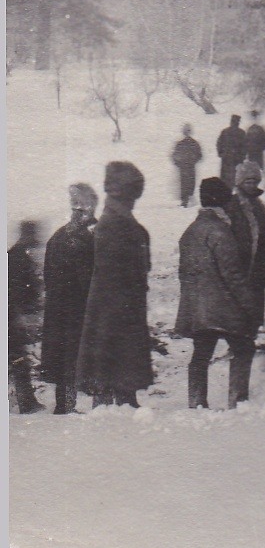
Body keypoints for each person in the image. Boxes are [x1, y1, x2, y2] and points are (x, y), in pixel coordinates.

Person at [76, 162, 153, 407]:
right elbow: (113, 273)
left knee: (117, 355)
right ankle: (107, 404)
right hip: (115, 305)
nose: (134, 200)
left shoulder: (122, 221)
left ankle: (123, 398)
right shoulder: (113, 224)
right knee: (109, 355)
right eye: (133, 194)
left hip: (121, 304)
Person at [174, 179, 254, 409]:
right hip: (222, 308)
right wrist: (248, 303)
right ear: (222, 202)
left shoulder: (190, 231)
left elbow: (184, 273)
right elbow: (232, 274)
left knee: (201, 354)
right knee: (243, 348)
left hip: (198, 308)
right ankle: (238, 401)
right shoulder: (220, 232)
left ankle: (196, 402)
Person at [39, 184, 98, 414]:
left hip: (58, 308)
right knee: (77, 355)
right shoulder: (87, 237)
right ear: (88, 207)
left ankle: (64, 404)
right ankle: (85, 405)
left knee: (63, 355)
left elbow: (48, 275)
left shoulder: (59, 235)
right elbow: (89, 277)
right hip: (79, 307)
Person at [229, 161, 265, 391]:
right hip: (239, 279)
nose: (251, 184)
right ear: (239, 182)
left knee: (250, 333)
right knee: (240, 336)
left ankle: (240, 390)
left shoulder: (260, 207)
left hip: (257, 279)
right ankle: (238, 391)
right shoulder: (232, 206)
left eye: (254, 180)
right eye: (246, 180)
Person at [10, 221, 44, 413]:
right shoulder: (18, 258)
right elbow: (15, 291)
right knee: (18, 360)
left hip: (13, 317)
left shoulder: (16, 255)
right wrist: (20, 315)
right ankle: (26, 403)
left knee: (18, 359)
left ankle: (26, 401)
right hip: (12, 318)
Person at [170, 125, 204, 209]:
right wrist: (193, 161)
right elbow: (199, 155)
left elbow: (174, 156)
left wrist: (179, 164)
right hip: (190, 166)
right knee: (190, 183)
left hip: (183, 167)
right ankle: (188, 200)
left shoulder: (180, 143)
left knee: (184, 184)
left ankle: (184, 201)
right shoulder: (194, 143)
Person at [244, 112, 265, 203]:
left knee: (259, 176)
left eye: (255, 117)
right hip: (254, 156)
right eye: (253, 117)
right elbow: (245, 143)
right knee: (254, 176)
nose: (254, 119)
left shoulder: (256, 129)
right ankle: (260, 196)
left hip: (257, 156)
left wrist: (256, 148)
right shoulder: (251, 129)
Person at [217, 114, 247, 186]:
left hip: (228, 160)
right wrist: (242, 156)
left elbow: (219, 143)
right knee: (236, 180)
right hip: (235, 160)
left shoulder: (225, 131)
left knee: (227, 180)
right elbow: (245, 147)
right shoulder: (241, 133)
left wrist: (221, 153)